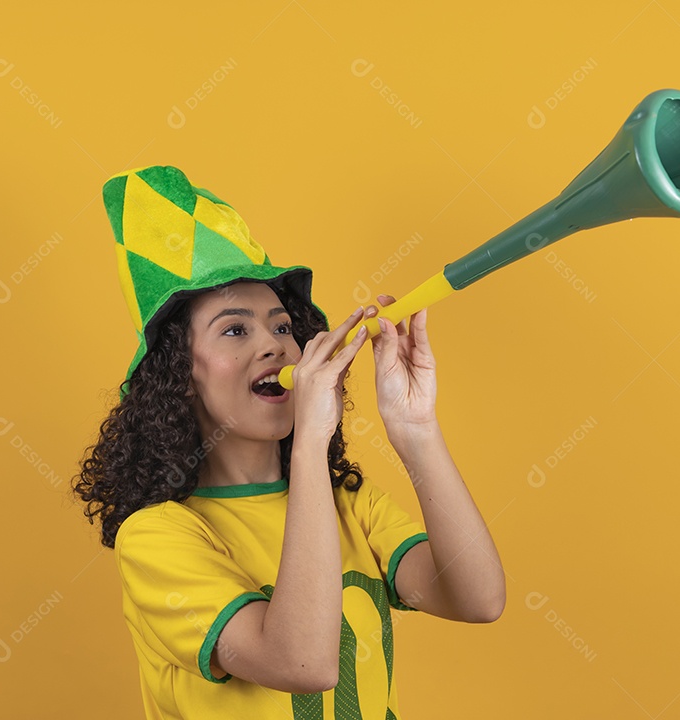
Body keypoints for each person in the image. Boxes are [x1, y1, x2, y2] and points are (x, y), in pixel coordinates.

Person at [72, 165, 506, 719]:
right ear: (179, 373)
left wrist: (415, 428)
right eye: (235, 329)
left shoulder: (351, 503)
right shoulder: (157, 538)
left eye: (282, 327)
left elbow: (478, 599)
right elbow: (303, 665)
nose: (275, 347)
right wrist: (309, 446)